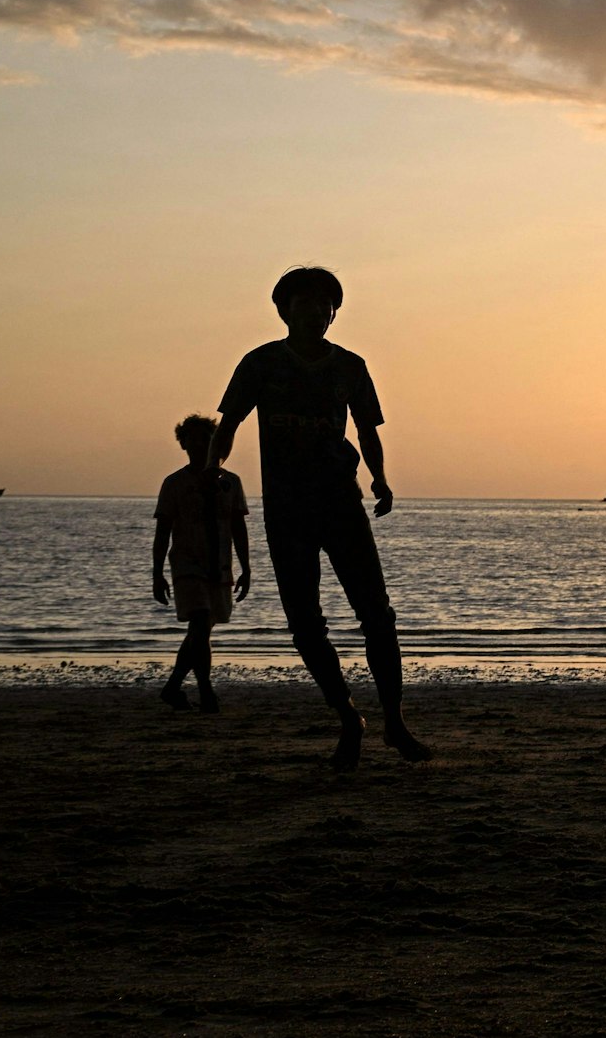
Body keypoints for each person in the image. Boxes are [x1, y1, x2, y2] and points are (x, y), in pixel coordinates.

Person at [210, 267, 431, 771]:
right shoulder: (260, 364)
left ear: (334, 312)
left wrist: (380, 479)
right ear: (284, 310)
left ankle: (394, 722)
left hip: (342, 505)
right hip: (287, 512)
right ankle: (348, 717)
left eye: (325, 305)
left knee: (378, 615)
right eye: (304, 303)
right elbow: (229, 426)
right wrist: (209, 474)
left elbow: (369, 430)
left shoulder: (351, 367)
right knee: (305, 625)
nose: (316, 312)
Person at [151, 414, 250, 713]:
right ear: (182, 443)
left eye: (203, 437)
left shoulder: (230, 483)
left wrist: (246, 567)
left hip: (219, 564)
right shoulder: (174, 484)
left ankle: (172, 687)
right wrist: (157, 574)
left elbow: (238, 528)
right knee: (199, 622)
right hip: (186, 564)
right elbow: (162, 532)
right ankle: (206, 692)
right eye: (190, 438)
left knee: (201, 630)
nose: (196, 443)